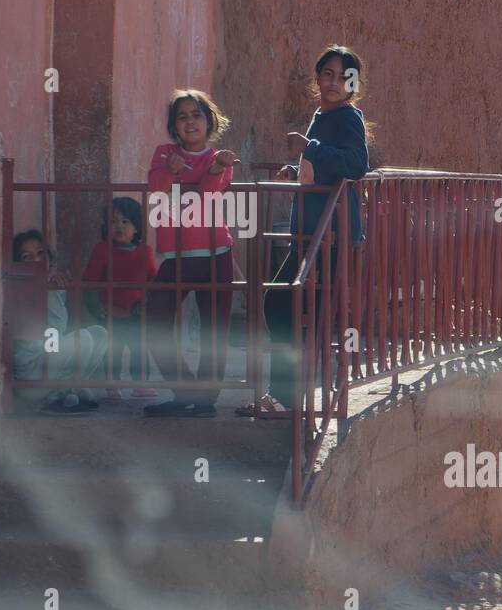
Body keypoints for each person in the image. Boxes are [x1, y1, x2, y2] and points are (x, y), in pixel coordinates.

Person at [253, 45, 371, 418]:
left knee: (301, 311)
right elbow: (323, 164)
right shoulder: (322, 115)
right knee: (283, 305)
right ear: (317, 79)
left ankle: (295, 400)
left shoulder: (348, 117)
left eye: (343, 76)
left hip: (329, 234)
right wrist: (297, 167)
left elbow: (356, 164)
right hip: (309, 232)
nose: (334, 82)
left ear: (354, 83)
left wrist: (311, 148)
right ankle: (288, 397)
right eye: (328, 74)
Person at [142, 89, 240, 418]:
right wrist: (170, 170)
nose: (190, 122)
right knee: (154, 318)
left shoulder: (219, 159)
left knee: (215, 328)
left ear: (209, 120)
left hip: (215, 255)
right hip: (175, 258)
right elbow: (156, 186)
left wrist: (216, 170)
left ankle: (205, 400)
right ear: (173, 126)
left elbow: (205, 196)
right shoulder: (163, 153)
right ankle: (185, 391)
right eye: (181, 117)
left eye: (196, 115)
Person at [11, 229, 107, 413]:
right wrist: (50, 289)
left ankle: (67, 391)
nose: (37, 261)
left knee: (99, 334)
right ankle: (53, 399)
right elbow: (52, 330)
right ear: (17, 263)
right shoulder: (19, 287)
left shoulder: (50, 284)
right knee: (83, 339)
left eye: (40, 253)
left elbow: (54, 337)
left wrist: (52, 288)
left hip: (47, 362)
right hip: (31, 379)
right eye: (27, 257)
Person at [81, 197, 158, 400]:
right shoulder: (102, 250)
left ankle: (140, 384)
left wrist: (148, 305)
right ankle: (112, 385)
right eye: (113, 221)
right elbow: (88, 282)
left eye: (125, 222)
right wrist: (96, 308)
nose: (119, 226)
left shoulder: (145, 252)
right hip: (109, 311)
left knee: (139, 349)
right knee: (112, 351)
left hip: (136, 311)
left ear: (137, 227)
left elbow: (153, 280)